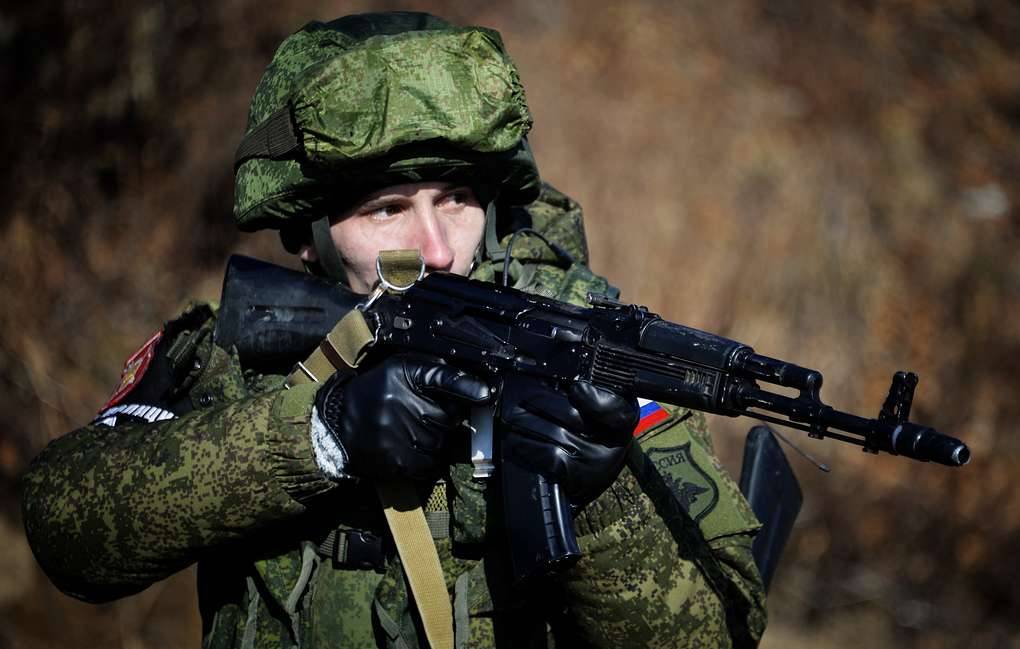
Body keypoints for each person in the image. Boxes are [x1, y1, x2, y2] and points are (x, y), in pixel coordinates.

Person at [21, 12, 766, 649]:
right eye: (387, 208)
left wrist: (601, 495)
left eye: (457, 198)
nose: (438, 248)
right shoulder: (236, 350)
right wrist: (319, 434)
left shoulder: (580, 345)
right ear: (304, 235)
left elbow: (720, 632)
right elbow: (66, 533)